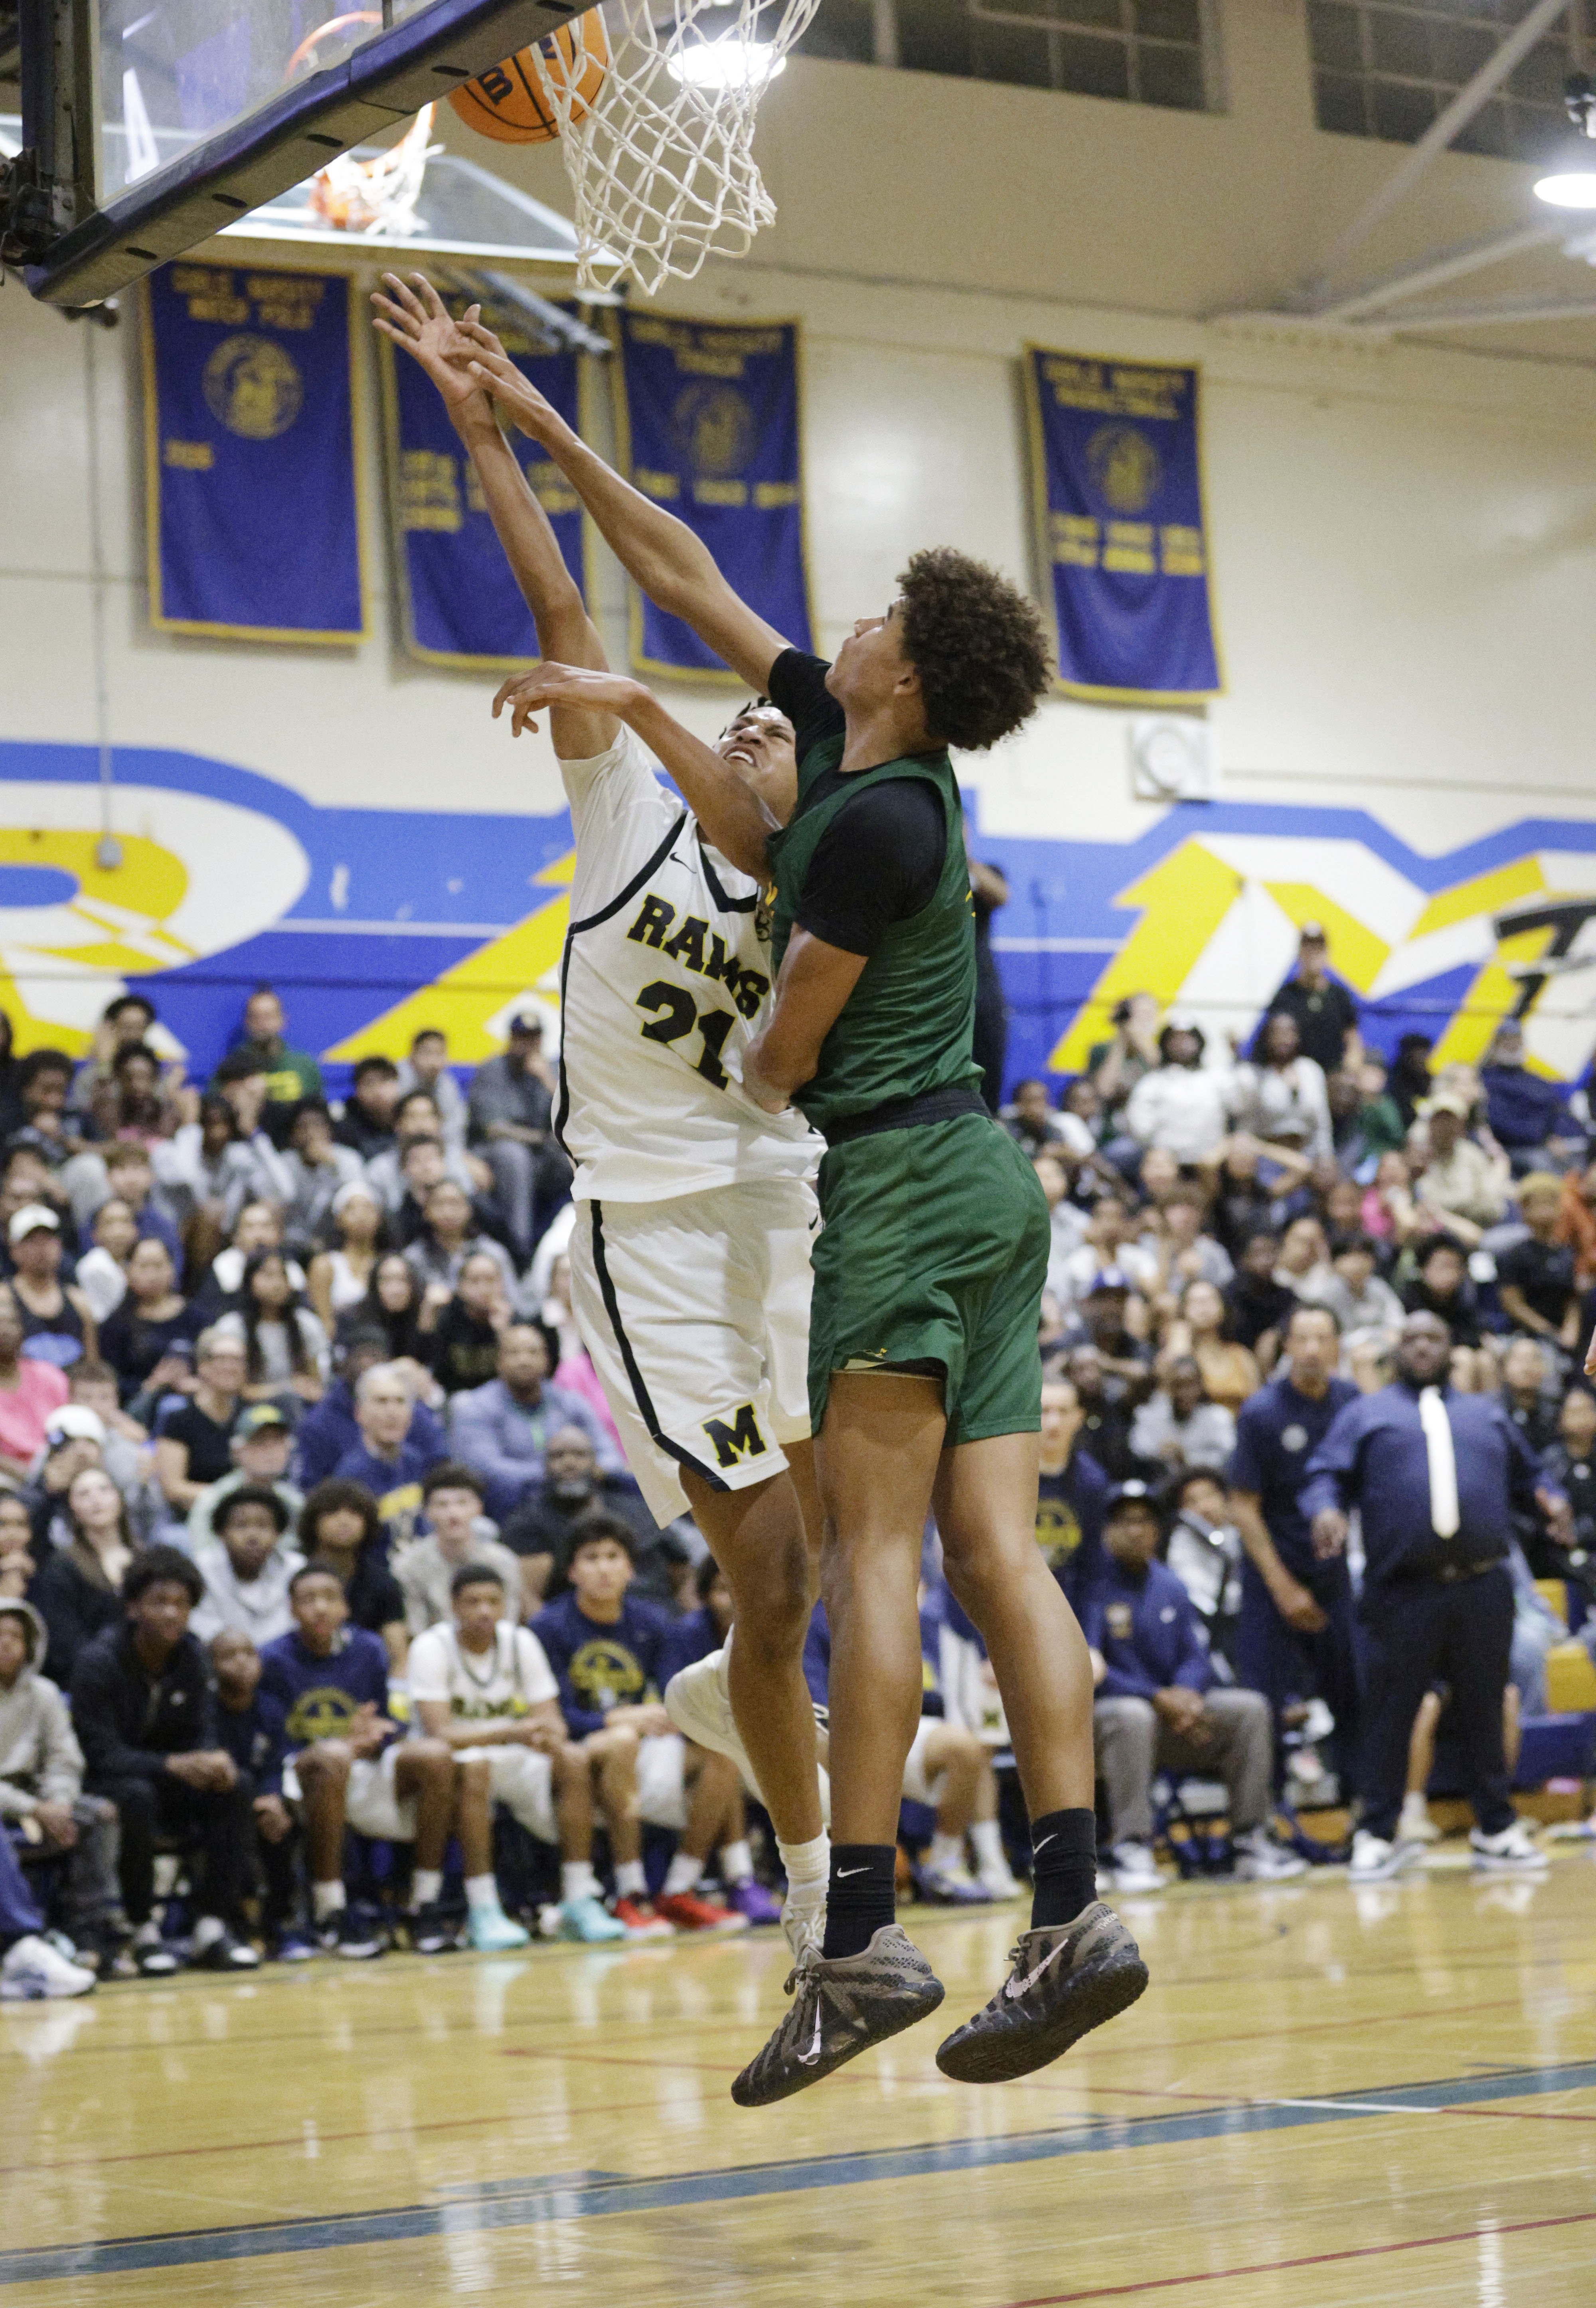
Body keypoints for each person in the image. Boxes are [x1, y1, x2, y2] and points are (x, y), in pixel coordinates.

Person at [405, 280, 1141, 2089]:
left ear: (827, 740)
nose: (786, 693)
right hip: (676, 1228)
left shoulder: (838, 835)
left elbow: (785, 1050)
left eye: (798, 701)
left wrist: (660, 710)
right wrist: (500, 423)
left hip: (828, 1184)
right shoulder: (704, 805)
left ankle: (873, 1908)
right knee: (820, 1558)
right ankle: (873, 1887)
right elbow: (617, 583)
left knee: (846, 1556)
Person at [1301, 1310, 1570, 1881]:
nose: (1423, 1347)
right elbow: (1325, 1475)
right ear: (1397, 1350)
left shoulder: (1486, 1414)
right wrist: (1325, 1509)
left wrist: (1553, 1499)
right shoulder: (1367, 1413)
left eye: (1435, 1338)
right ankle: (1377, 1833)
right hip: (1402, 1591)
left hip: (1482, 1585)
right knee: (1390, 1714)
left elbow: (1532, 1477)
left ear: (1452, 1349)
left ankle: (1495, 1828)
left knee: (1485, 1707)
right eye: (1413, 1339)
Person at [1082, 1483, 1305, 1893]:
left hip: (1173, 1720)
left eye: (1145, 1521)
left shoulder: (1170, 1585)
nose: (1136, 1530)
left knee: (1249, 1709)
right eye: (1125, 1521)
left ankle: (1250, 1840)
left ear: (1158, 1530)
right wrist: (1156, 1697)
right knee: (1133, 1716)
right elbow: (1088, 1667)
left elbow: (1195, 1656)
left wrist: (1185, 1696)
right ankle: (1131, 1847)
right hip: (1109, 1726)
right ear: (1107, 1529)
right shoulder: (1091, 1588)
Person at [529, 1517, 746, 1935]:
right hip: (578, 1749)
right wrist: (617, 1717)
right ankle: (630, 1892)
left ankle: (681, 1889)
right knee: (623, 1738)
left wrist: (660, 1717)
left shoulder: (652, 1622)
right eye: (591, 1559)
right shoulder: (548, 1627)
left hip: (642, 1744)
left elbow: (670, 1697)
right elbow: (557, 1717)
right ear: (572, 1572)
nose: (604, 1568)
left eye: (613, 1558)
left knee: (722, 1751)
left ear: (630, 1569)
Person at [72, 1545, 260, 1974]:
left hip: (168, 1778)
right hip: (107, 1781)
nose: (172, 1614)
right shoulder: (99, 1662)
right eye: (159, 1603)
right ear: (134, 1607)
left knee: (238, 1787)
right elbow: (100, 1754)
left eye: (181, 1604)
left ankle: (211, 1928)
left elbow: (204, 1730)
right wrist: (171, 1765)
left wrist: (215, 1760)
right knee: (136, 1797)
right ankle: (143, 1931)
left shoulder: (192, 1656)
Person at [260, 1563, 462, 1956]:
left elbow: (390, 1721)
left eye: (330, 1598)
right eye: (308, 1599)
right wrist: (343, 1744)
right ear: (291, 1609)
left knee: (435, 1755)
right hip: (298, 1771)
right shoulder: (272, 1658)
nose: (320, 1608)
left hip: (360, 1764)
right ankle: (330, 1909)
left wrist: (378, 1734)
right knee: (333, 1756)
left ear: (346, 1608)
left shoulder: (369, 1649)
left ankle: (424, 1901)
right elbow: (272, 1742)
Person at [407, 1563, 608, 1946]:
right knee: (477, 1766)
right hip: (451, 1765)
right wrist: (513, 1731)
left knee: (573, 1758)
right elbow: (442, 1734)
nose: (484, 1610)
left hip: (512, 1755)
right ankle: (484, 1908)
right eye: (473, 1602)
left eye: (493, 1601)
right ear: (453, 1606)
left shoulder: (521, 1641)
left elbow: (552, 1720)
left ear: (507, 1605)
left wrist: (549, 1736)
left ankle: (580, 1896)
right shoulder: (431, 1646)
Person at [1227, 1304, 1362, 1804]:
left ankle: (1363, 1814)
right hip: (1272, 1578)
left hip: (1332, 1575)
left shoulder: (1351, 1403)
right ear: (1286, 1348)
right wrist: (1283, 1588)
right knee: (1263, 1703)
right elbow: (1242, 1508)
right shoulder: (1262, 1412)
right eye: (1300, 1339)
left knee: (1351, 1693)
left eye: (1321, 1338)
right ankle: (1263, 1821)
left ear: (1336, 1347)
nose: (1310, 1349)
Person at [0, 1599, 126, 1968]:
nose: (6, 1643)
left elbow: (64, 1759)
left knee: (99, 1815)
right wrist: (33, 1809)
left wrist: (59, 1803)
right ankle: (22, 1943)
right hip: (13, 1807)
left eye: (15, 1636)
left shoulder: (45, 1694)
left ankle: (86, 1933)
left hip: (40, 1801)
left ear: (31, 1645)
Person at [447, 1325, 618, 1524]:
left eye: (533, 1352)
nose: (524, 1360)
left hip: (576, 1495)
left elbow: (610, 1454)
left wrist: (589, 1470)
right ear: (499, 1361)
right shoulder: (475, 1407)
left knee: (624, 1487)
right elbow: (487, 1468)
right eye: (514, 1353)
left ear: (547, 1360)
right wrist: (558, 1473)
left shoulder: (570, 1402)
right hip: (513, 1503)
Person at [208, 1628, 301, 1959]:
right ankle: (234, 1924)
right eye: (229, 1656)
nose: (242, 1663)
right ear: (212, 1667)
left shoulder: (271, 1709)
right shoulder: (206, 1711)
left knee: (284, 1822)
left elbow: (276, 1763)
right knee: (236, 1828)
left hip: (262, 1801)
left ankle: (281, 1922)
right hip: (220, 1803)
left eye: (249, 1654)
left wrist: (272, 1796)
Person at [498, 1424, 658, 1605]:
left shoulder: (635, 1509)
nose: (569, 1464)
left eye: (580, 1455)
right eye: (558, 1456)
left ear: (597, 1466)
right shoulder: (526, 1524)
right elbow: (528, 1598)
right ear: (544, 1468)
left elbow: (680, 1568)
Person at [466, 1015, 569, 1265]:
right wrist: (540, 1138)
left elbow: (571, 1118)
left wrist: (547, 1081)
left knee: (571, 1157)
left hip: (542, 1152)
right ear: (511, 1039)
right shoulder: (492, 1070)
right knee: (515, 1156)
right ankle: (520, 1245)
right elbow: (493, 1129)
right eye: (522, 1038)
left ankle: (570, 1238)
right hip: (492, 1153)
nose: (528, 1045)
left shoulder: (551, 1072)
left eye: (533, 1038)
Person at [30, 1464, 136, 1689]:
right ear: (73, 1508)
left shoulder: (146, 1560)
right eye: (84, 1494)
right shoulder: (61, 1567)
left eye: (104, 1490)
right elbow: (65, 1643)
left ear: (120, 1499)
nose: (96, 1499)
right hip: (90, 1681)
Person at [396, 1461, 523, 1634]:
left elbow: (508, 1627)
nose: (453, 1514)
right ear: (428, 1512)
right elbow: (416, 1631)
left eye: (462, 1503)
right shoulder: (408, 1567)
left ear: (479, 1508)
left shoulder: (504, 1562)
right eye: (442, 1505)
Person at [332, 1360, 446, 1547]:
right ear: (360, 1413)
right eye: (381, 1401)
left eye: (400, 1402)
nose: (392, 1412)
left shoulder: (416, 1461)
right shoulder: (349, 1475)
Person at [296, 1480, 408, 1667]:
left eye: (355, 1513)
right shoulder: (294, 1571)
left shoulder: (383, 1581)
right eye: (332, 1512)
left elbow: (398, 1657)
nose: (344, 1521)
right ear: (313, 1521)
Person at [191, 1484, 304, 1648]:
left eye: (263, 1527)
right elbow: (202, 1628)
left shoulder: (297, 1569)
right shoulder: (200, 1571)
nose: (253, 1536)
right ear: (221, 1533)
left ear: (278, 1534)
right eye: (241, 1526)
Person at [216, 1248, 329, 1409]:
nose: (277, 1284)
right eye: (268, 1276)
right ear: (250, 1281)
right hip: (246, 1409)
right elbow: (233, 1389)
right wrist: (286, 1390)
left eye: (283, 1276)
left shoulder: (306, 1324)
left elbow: (316, 1383)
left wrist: (308, 1390)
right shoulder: (232, 1328)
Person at [150, 1327, 246, 1516]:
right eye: (222, 1359)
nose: (231, 1367)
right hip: (194, 1518)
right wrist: (230, 1496)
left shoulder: (250, 1417)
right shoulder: (179, 1420)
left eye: (238, 1360)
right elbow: (173, 1488)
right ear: (203, 1366)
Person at [186, 1400, 303, 1552]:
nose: (270, 1451)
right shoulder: (214, 1501)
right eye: (259, 1442)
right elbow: (202, 1554)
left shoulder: (295, 1502)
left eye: (277, 1442)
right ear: (238, 1451)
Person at [1033, 1373, 1108, 1606]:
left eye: (1063, 1412)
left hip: (1067, 1606)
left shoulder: (1092, 1481)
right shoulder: (1004, 1476)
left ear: (1079, 1417)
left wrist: (1090, 1638)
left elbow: (1093, 1569)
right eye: (1044, 1411)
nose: (1054, 1423)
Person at [1163, 1467, 1244, 1674]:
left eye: (1209, 1496)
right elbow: (1194, 1593)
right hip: (1210, 1625)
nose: (1204, 1507)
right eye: (1192, 1501)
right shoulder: (1181, 1539)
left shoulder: (1244, 1530)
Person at [97, 1238, 196, 1405]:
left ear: (172, 1269)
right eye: (143, 1267)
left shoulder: (197, 1318)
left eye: (158, 1266)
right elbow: (111, 1382)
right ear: (127, 1271)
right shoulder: (114, 1327)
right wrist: (152, 1385)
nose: (152, 1276)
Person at [220, 987, 323, 1142]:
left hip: (296, 1149)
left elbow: (318, 1114)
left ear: (282, 1020)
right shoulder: (231, 1066)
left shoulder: (304, 1065)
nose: (262, 1024)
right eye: (256, 1017)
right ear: (247, 1023)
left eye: (268, 1017)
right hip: (247, 1147)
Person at [1496, 1172, 1581, 1358]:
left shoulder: (1567, 1253)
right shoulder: (1513, 1255)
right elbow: (1512, 1303)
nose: (1546, 1210)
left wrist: (1570, 1331)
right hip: (1525, 1336)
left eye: (1551, 1202)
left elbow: (1572, 1299)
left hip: (1565, 1336)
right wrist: (1547, 1331)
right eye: (1539, 1203)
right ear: (1524, 1209)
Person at [1229, 1014, 1331, 1165]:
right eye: (1277, 1033)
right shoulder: (1253, 1074)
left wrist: (1326, 1156)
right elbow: (1246, 1121)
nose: (1284, 1039)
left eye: (1290, 1032)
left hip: (1307, 1153)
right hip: (1266, 1155)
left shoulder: (1310, 1070)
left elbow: (1322, 1119)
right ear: (1267, 1038)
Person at [1123, 1024, 1230, 1166]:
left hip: (1210, 1160)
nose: (1183, 1045)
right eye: (1176, 1039)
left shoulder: (1215, 1078)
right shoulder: (1153, 1081)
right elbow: (1140, 1125)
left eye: (1188, 1039)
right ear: (1165, 1044)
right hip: (1166, 1160)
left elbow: (1239, 1106)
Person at [1481, 1021, 1580, 1172]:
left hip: (1549, 1145)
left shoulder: (1537, 1081)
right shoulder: (1487, 1081)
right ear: (1496, 1044)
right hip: (1515, 1149)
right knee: (1543, 1165)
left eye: (1516, 1039)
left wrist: (1559, 1135)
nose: (1513, 1045)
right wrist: (1543, 1138)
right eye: (1507, 1039)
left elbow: (1559, 1111)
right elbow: (1500, 1123)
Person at [1414, 1092, 1509, 1247]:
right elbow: (1424, 1205)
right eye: (1440, 1119)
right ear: (1431, 1123)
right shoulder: (1418, 1157)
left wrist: (1449, 1209)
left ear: (1461, 1125)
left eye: (1451, 1120)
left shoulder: (1472, 1155)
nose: (1445, 1126)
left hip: (1479, 1227)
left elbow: (1493, 1205)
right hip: (1434, 1232)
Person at [1264, 923, 1360, 1077]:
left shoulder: (1338, 995)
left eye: (1318, 949)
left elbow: (1352, 1039)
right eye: (1308, 949)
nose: (1313, 955)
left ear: (1326, 953)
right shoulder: (1286, 996)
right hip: (1296, 1074)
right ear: (1300, 953)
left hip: (1334, 1073)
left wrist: (1351, 1069)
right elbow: (1272, 1041)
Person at [6, 1204, 94, 1368]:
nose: (42, 1248)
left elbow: (91, 1366)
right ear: (14, 1250)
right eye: (32, 1241)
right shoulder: (4, 1299)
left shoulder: (79, 1301)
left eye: (48, 1239)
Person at [1129, 1356, 1236, 1477]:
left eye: (1190, 1385)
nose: (1184, 1393)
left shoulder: (1218, 1417)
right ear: (1168, 1387)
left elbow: (1225, 1456)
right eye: (1178, 1386)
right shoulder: (1150, 1414)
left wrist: (1187, 1457)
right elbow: (1138, 1447)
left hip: (1205, 1483)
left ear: (1201, 1387)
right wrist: (1159, 1452)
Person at [0, 1283, 69, 1471]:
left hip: (60, 1466)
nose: (5, 1330)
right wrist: (33, 1477)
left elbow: (73, 1424)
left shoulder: (50, 1376)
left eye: (11, 1323)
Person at [306, 1181, 387, 1336]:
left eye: (367, 1208)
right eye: (351, 1208)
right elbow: (325, 1324)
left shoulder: (389, 1264)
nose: (361, 1215)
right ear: (338, 1219)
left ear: (379, 1218)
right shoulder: (325, 1265)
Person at [397, 1030, 468, 1154]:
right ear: (413, 1054)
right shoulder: (396, 1079)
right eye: (427, 1053)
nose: (434, 1063)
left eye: (440, 1054)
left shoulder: (447, 1084)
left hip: (437, 1150)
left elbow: (456, 1126)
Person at [333, 1055, 401, 1164]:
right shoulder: (344, 1131)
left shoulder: (411, 1119)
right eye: (369, 1083)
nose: (378, 1091)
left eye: (384, 1081)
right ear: (357, 1091)